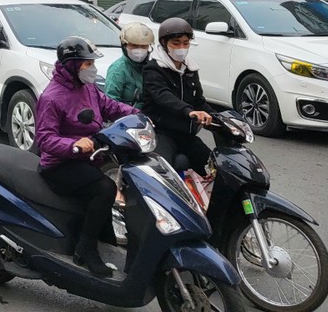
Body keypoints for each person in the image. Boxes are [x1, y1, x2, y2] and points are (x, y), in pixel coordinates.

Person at [35, 36, 139, 277]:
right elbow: (45, 139)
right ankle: (86, 249)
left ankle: (108, 246)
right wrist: (74, 144)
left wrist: (137, 114)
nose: (91, 68)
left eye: (91, 63)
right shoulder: (51, 97)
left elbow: (109, 106)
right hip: (59, 164)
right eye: (86, 64)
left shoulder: (88, 88)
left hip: (89, 159)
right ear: (72, 65)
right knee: (104, 188)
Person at [141, 17, 217, 176]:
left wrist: (221, 120)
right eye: (176, 43)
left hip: (186, 135)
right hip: (161, 132)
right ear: (164, 43)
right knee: (161, 172)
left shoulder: (190, 69)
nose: (181, 48)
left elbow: (199, 102)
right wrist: (189, 112)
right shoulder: (153, 69)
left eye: (185, 43)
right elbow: (163, 96)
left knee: (215, 168)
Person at [104, 22, 154, 107]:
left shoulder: (151, 67)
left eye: (143, 46)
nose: (139, 50)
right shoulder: (118, 70)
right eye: (134, 46)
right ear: (124, 46)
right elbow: (110, 102)